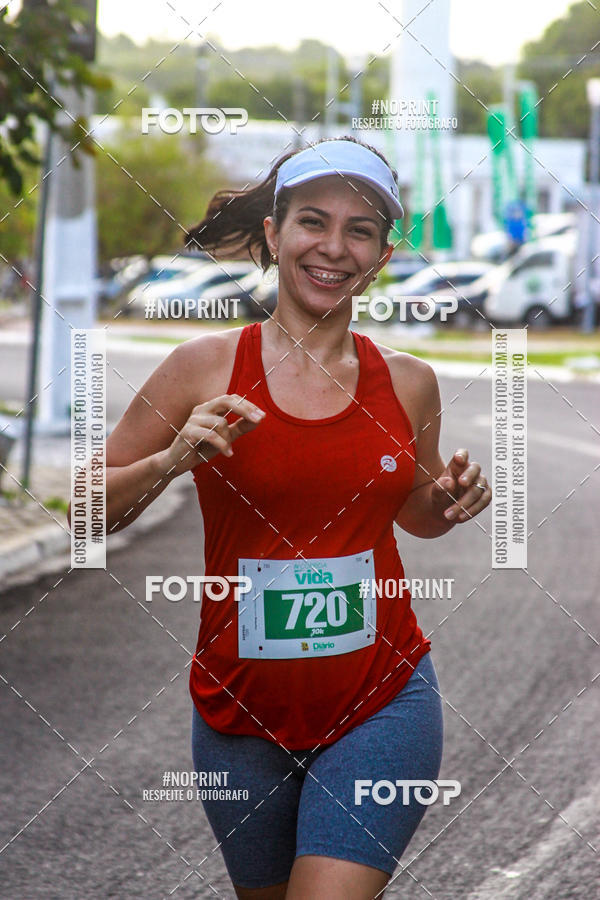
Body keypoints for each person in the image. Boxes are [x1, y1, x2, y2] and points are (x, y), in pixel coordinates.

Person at [98, 136, 491, 899]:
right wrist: (170, 460)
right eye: (314, 221)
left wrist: (444, 502)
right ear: (275, 234)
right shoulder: (202, 367)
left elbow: (413, 513)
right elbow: (89, 508)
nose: (334, 248)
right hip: (237, 714)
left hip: (383, 701)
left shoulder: (409, 383)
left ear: (381, 256)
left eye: (361, 230)